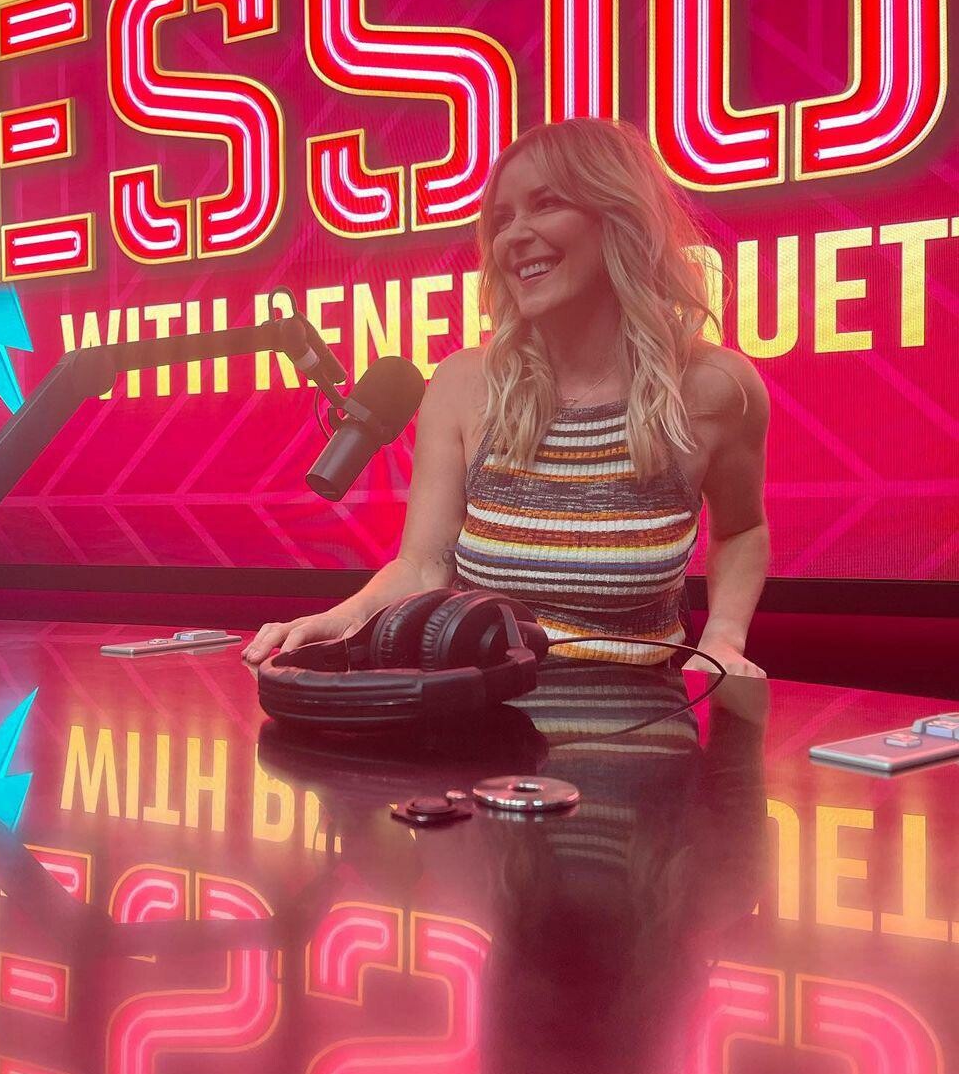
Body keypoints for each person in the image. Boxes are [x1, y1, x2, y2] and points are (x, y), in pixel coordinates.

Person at [244, 117, 769, 676]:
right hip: (484, 708)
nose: (514, 236)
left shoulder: (716, 387)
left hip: (646, 712)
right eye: (501, 220)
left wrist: (723, 640)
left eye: (546, 204)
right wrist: (344, 616)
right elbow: (423, 565)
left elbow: (742, 531)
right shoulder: (462, 383)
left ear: (619, 216)